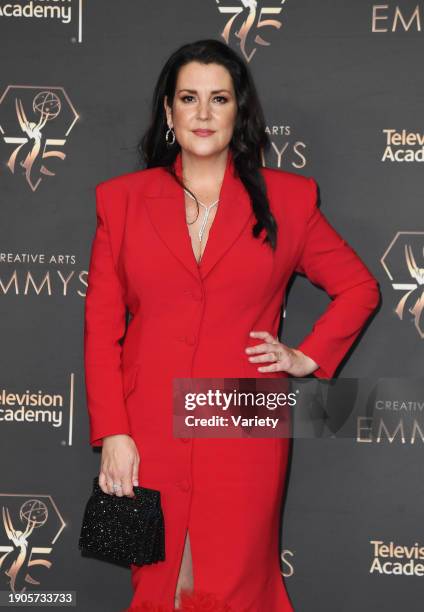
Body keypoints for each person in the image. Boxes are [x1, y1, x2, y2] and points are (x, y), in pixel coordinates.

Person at [83, 39, 380, 612]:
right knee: (162, 581)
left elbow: (359, 287)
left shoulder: (288, 201)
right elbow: (101, 329)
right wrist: (112, 433)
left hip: (242, 417)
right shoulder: (120, 201)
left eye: (218, 99)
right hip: (148, 425)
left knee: (235, 583)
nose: (202, 113)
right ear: (168, 112)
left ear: (238, 111)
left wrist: (306, 356)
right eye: (188, 98)